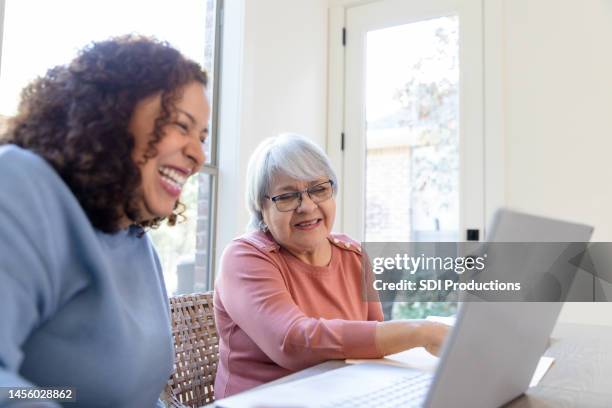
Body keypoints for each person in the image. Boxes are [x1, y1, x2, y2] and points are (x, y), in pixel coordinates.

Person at [0, 36, 210, 407]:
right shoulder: (21, 185)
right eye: (181, 125)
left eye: (203, 136)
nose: (197, 153)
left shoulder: (135, 239)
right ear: (111, 114)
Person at [213, 134, 449, 398]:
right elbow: (292, 342)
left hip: (343, 397)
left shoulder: (354, 256)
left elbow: (372, 346)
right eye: (287, 196)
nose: (307, 206)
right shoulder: (244, 257)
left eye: (318, 189)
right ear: (261, 208)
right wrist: (421, 332)